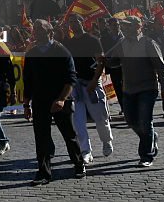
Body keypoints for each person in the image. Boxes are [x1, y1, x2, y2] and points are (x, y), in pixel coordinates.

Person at [23, 20, 86, 185]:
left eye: (40, 30)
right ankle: (44, 172)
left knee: (69, 135)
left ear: (50, 32)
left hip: (60, 101)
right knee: (41, 137)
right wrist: (26, 104)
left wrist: (61, 99)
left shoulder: (61, 51)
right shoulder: (32, 53)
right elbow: (28, 80)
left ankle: (79, 164)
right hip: (40, 101)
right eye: (35, 30)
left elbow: (70, 79)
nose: (36, 33)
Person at [104, 16, 164, 167]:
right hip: (129, 88)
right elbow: (115, 62)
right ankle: (151, 137)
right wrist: (104, 61)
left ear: (138, 27)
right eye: (124, 26)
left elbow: (161, 68)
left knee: (145, 121)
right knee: (131, 121)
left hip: (147, 88)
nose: (125, 29)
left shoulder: (149, 44)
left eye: (128, 26)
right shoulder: (121, 44)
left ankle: (146, 155)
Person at [63, 16, 113, 162]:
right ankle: (86, 150)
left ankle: (106, 141)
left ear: (82, 23)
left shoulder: (93, 40)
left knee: (100, 118)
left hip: (91, 83)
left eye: (75, 22)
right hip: (76, 85)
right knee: (78, 122)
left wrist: (94, 81)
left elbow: (101, 62)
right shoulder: (69, 43)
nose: (73, 25)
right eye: (71, 23)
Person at [100, 16, 125, 114]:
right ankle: (123, 106)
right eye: (114, 25)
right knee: (116, 88)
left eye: (118, 25)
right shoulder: (104, 39)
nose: (116, 27)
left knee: (125, 87)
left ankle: (126, 106)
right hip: (112, 66)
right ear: (109, 26)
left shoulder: (124, 37)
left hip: (124, 66)